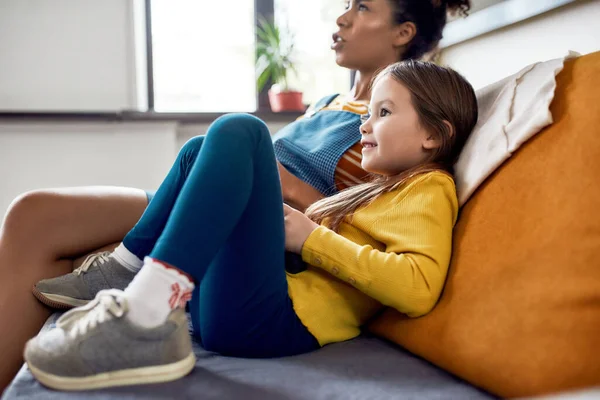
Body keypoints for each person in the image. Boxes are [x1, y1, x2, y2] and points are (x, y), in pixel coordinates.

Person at [0, 0, 471, 390]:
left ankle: (142, 301)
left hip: (265, 239)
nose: (342, 18)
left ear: (403, 32)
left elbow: (388, 258)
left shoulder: (408, 169)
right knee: (198, 148)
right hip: (245, 222)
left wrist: (290, 206)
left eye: (362, 7)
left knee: (241, 130)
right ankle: (128, 268)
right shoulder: (337, 107)